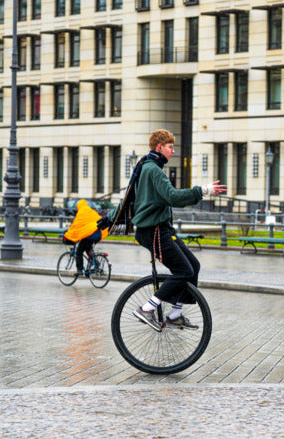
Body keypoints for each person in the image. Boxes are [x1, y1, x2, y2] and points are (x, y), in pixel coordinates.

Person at [117, 129, 225, 330]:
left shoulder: (148, 167)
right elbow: (172, 196)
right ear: (159, 147)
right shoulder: (153, 170)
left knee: (193, 266)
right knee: (183, 271)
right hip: (154, 231)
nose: (173, 151)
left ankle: (175, 314)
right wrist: (202, 190)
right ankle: (147, 309)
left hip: (161, 229)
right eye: (170, 147)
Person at [63, 198, 110, 276]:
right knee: (88, 249)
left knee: (79, 251)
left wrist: (68, 235)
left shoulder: (81, 212)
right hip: (98, 234)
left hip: (90, 235)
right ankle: (95, 265)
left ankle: (80, 269)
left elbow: (75, 226)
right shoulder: (91, 211)